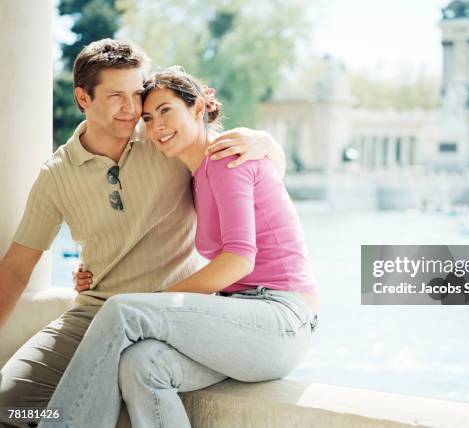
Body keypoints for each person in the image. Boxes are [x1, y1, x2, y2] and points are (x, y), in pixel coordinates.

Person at [0, 39, 285, 427]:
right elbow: (16, 269)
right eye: (116, 96)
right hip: (94, 311)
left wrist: (267, 143)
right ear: (83, 98)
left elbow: (250, 181)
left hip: (168, 313)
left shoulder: (163, 141)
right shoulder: (56, 176)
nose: (132, 109)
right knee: (7, 407)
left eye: (136, 95)